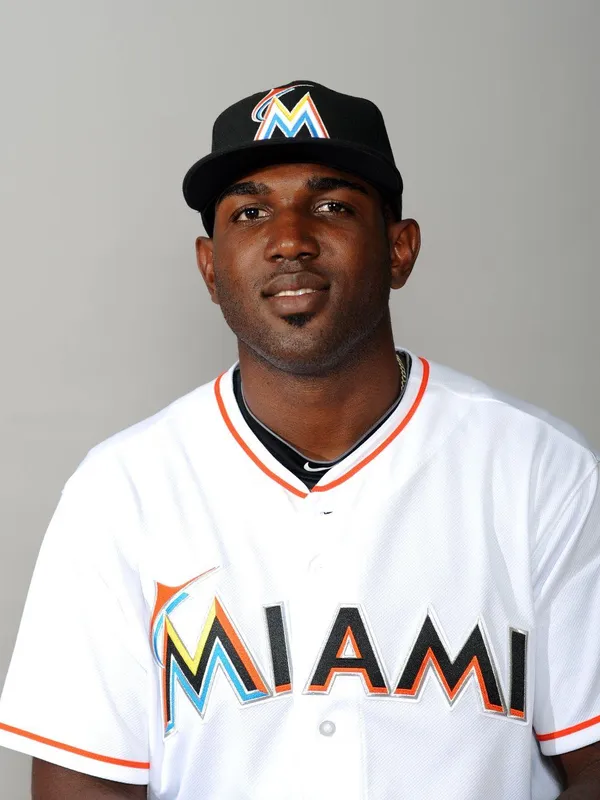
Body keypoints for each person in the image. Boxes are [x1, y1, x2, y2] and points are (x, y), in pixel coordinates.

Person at [0, 80, 598, 800]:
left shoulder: (540, 470)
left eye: (332, 206)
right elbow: (79, 785)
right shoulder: (121, 493)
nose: (289, 240)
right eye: (250, 212)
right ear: (210, 266)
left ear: (400, 249)